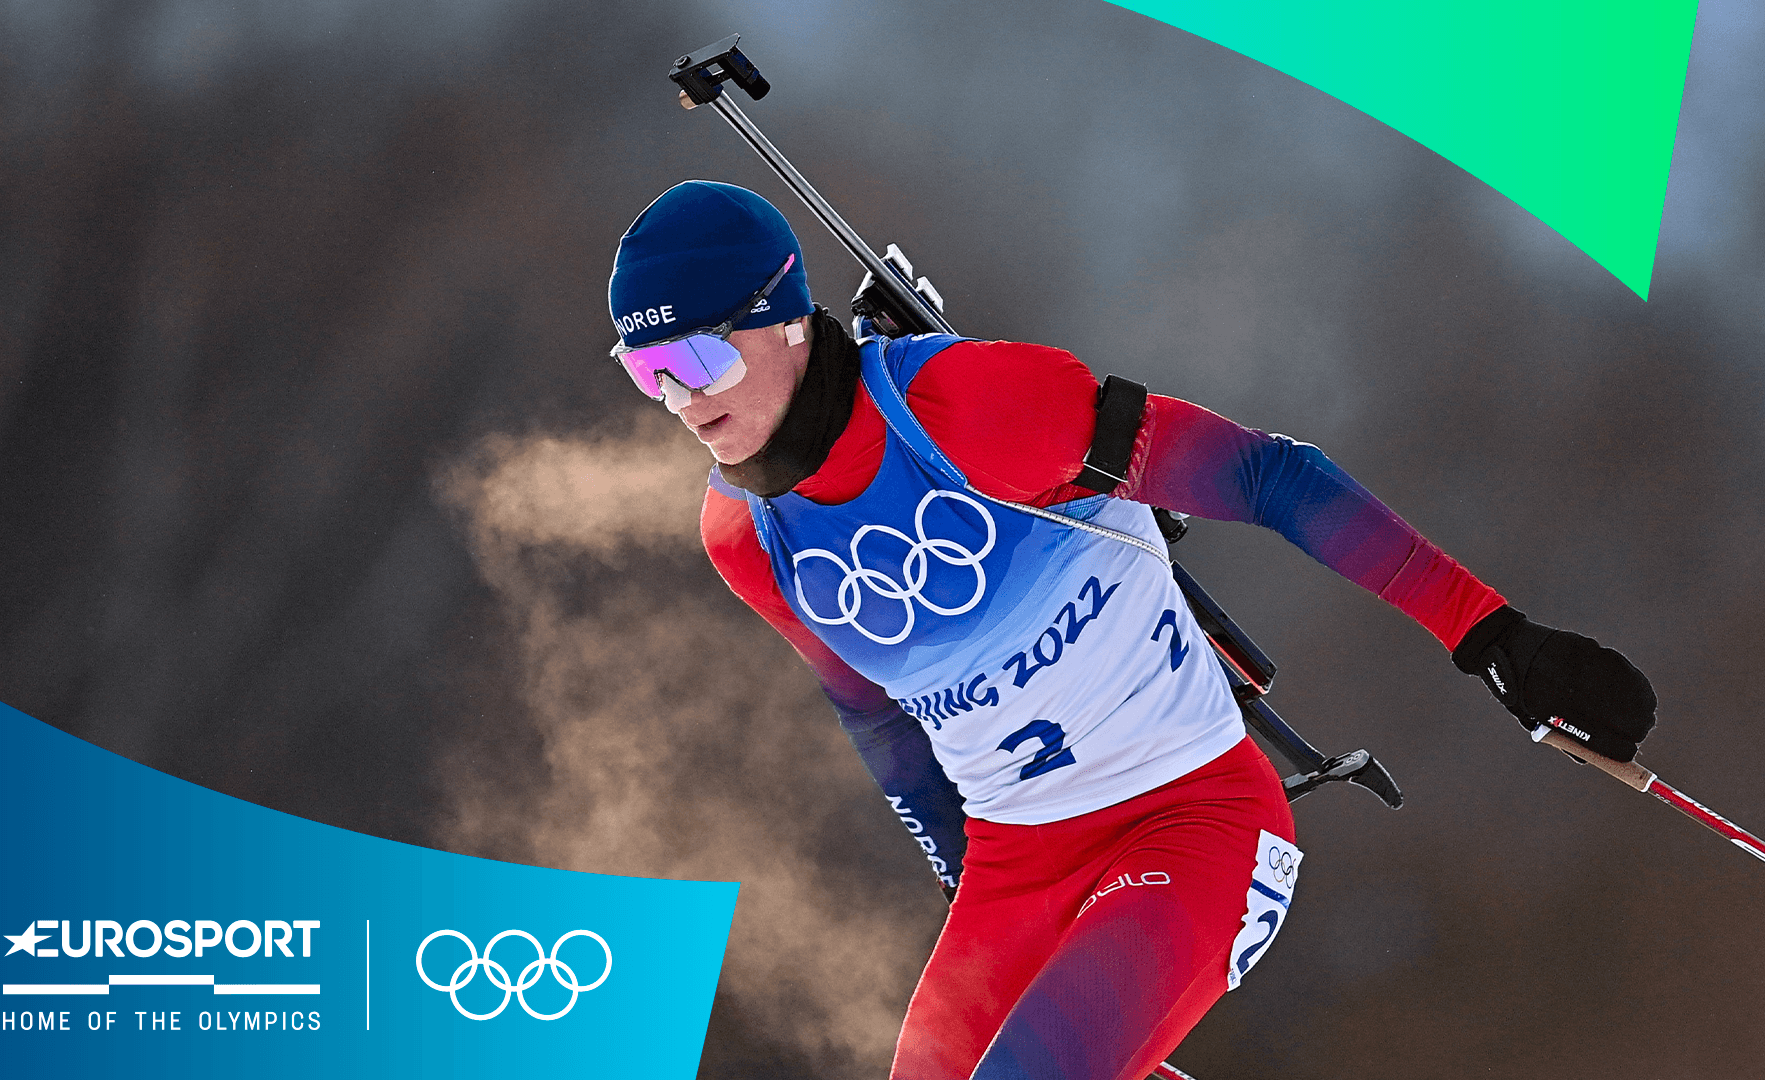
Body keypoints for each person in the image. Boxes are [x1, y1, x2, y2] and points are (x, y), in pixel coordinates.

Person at [606, 180, 1656, 1080]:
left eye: (697, 359)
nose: (681, 401)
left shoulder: (971, 407)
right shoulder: (745, 537)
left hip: (1194, 825)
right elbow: (874, 714)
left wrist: (1493, 635)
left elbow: (1267, 475)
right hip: (1016, 870)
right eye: (646, 372)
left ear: (785, 318)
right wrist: (958, 870)